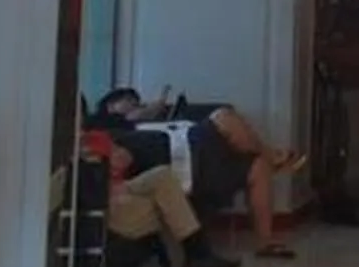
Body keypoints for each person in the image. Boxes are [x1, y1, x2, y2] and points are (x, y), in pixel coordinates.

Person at [97, 89, 302, 258]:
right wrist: (155, 105)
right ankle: (273, 157)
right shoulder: (110, 126)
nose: (136, 104)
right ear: (110, 106)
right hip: (184, 159)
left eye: (137, 101)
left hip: (193, 149)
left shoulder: (140, 126)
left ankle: (265, 242)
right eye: (129, 102)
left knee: (258, 167)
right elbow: (121, 155)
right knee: (224, 117)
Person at [101, 142, 238, 267]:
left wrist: (116, 156)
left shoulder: (94, 136)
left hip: (125, 189)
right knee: (169, 203)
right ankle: (196, 264)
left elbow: (125, 156)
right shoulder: (68, 145)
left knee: (163, 176)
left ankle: (196, 264)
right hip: (105, 202)